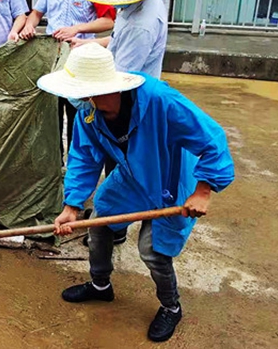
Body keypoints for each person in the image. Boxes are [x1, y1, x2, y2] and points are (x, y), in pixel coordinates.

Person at [37, 42, 234, 342]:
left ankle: (171, 306)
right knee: (100, 221)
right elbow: (83, 157)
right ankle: (101, 285)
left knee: (152, 250)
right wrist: (72, 207)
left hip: (170, 178)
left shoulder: (158, 99)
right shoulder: (88, 115)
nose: (82, 99)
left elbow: (211, 137)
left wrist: (203, 190)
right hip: (132, 176)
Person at [74, 0, 170, 246]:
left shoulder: (142, 23)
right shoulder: (136, 4)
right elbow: (116, 41)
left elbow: (115, 78)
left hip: (129, 100)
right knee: (107, 161)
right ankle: (110, 218)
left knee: (122, 166)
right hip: (124, 88)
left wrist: (82, 95)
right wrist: (91, 45)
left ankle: (114, 228)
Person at [18, 0, 116, 164]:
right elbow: (36, 12)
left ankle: (76, 168)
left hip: (80, 58)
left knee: (78, 117)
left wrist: (77, 29)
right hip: (52, 57)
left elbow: (108, 21)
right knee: (51, 116)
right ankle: (54, 166)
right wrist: (29, 25)